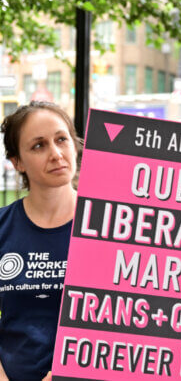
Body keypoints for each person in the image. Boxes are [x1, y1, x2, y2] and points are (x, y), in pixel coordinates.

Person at [0, 101, 81, 381]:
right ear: (17, 162)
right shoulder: (2, 227)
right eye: (39, 146)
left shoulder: (107, 227)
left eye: (62, 139)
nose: (56, 154)